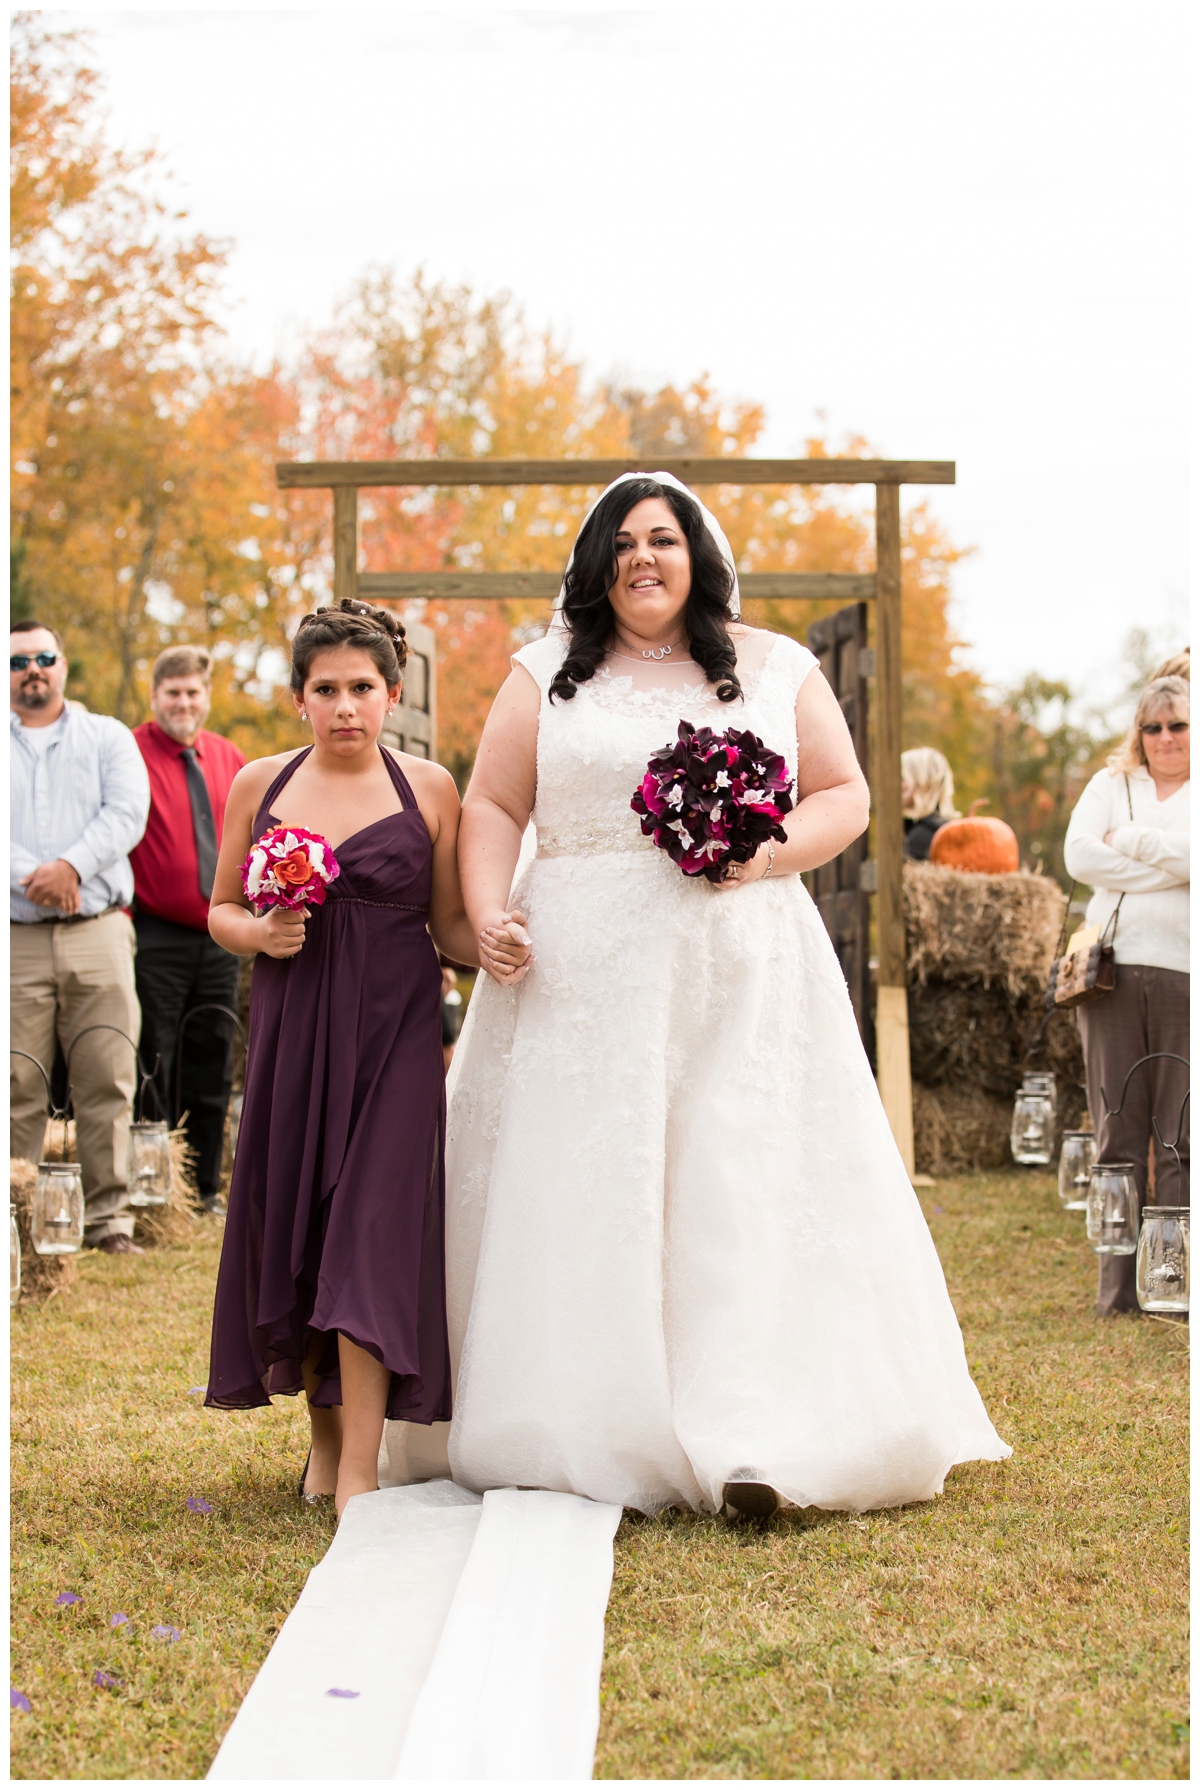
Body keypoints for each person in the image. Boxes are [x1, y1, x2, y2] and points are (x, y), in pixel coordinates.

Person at [409, 472, 1009, 1520]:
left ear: (697, 557)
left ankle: (756, 1425)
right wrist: (488, 907)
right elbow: (497, 800)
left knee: (736, 1178)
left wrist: (770, 852)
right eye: (623, 544)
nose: (643, 559)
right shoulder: (543, 671)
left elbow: (846, 794)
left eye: (663, 540)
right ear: (596, 564)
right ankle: (575, 1410)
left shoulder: (775, 666)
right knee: (590, 1178)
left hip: (740, 964)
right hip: (578, 975)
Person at [205, 600, 478, 1516]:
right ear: (299, 699)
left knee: (371, 1233)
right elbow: (219, 911)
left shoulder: (433, 789)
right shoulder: (258, 785)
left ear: (394, 694)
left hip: (397, 1039)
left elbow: (447, 924)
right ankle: (322, 1444)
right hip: (295, 1033)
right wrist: (261, 931)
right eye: (326, 689)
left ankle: (362, 1466)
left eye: (363, 687)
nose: (346, 706)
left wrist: (515, 947)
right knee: (306, 1230)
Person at [9, 618, 151, 1253]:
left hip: (98, 931)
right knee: (15, 1082)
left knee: (107, 1074)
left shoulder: (108, 737)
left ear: (63, 664)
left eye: (43, 656)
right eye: (18, 661)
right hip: (15, 937)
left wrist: (72, 867)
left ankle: (108, 1221)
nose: (32, 668)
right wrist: (37, 877)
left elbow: (127, 813)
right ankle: (15, 1218)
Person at [1064, 673, 1190, 1317]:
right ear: (1138, 733)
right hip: (1111, 976)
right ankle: (1117, 1292)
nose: (1165, 738)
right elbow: (1080, 857)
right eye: (1153, 727)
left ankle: (1171, 1287)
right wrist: (1174, 867)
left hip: (1185, 976)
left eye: (1178, 725)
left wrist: (1134, 843)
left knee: (1179, 1139)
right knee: (1117, 1131)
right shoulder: (1111, 785)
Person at [130, 647, 246, 1215]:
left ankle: (202, 1191)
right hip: (156, 937)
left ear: (206, 696)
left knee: (212, 1056)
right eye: (172, 692)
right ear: (155, 697)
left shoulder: (229, 758)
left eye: (192, 692)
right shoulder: (130, 753)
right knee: (154, 1059)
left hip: (221, 937)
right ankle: (155, 1191)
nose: (183, 702)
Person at [901, 746, 958, 860]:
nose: (898, 785)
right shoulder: (943, 828)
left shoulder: (923, 836)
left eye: (902, 778)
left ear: (922, 783)